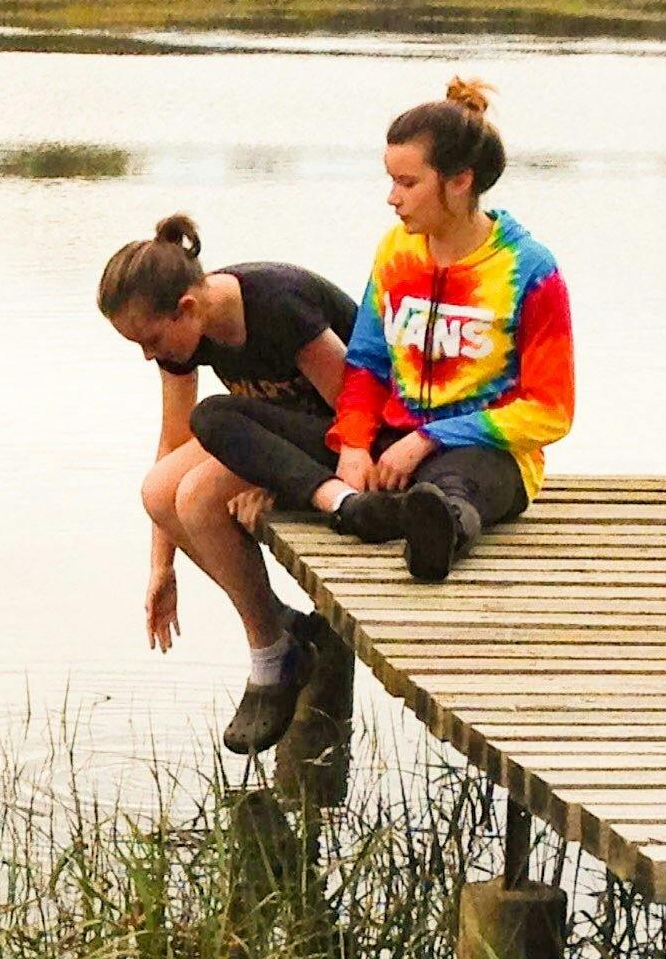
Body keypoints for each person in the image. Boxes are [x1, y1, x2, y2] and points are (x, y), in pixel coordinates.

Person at [97, 218, 361, 754]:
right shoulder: (183, 340)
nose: (149, 355)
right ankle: (281, 627)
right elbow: (173, 440)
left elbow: (356, 414)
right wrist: (161, 567)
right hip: (268, 433)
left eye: (150, 340)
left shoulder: (277, 306)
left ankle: (269, 651)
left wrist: (281, 481)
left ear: (187, 309)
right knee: (158, 491)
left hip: (342, 437)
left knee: (196, 498)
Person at [318, 77, 575, 581]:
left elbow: (552, 412)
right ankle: (394, 509)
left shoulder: (529, 269)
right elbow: (367, 362)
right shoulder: (395, 251)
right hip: (394, 439)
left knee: (454, 483)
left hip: (486, 453)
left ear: (460, 181)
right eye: (391, 180)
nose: (393, 198)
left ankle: (439, 534)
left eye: (408, 183)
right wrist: (352, 442)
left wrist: (432, 438)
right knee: (227, 420)